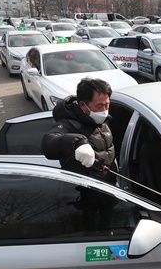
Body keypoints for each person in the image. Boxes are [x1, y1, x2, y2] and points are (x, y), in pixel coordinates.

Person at [41, 77, 117, 232]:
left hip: (109, 191)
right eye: (99, 106)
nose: (104, 110)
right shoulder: (69, 124)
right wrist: (77, 142)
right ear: (83, 105)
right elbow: (48, 144)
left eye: (107, 104)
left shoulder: (103, 121)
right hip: (84, 197)